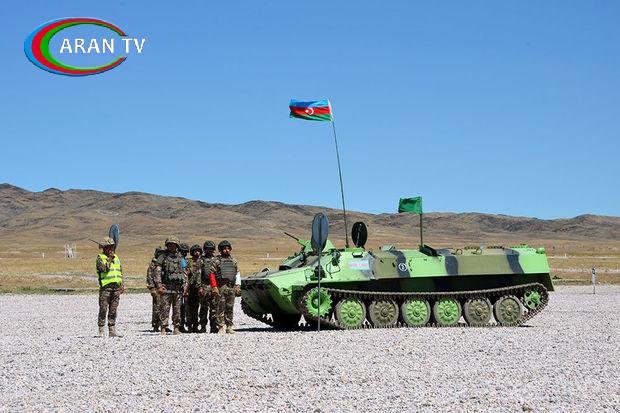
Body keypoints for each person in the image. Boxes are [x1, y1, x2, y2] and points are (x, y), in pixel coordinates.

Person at [153, 236, 188, 335]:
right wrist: (159, 286)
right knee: (164, 308)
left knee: (177, 309)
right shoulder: (162, 257)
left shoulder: (180, 257)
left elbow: (184, 272)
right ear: (167, 245)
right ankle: (163, 328)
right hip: (166, 287)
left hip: (178, 288)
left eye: (174, 245)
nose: (172, 246)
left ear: (177, 246)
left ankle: (176, 327)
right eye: (170, 244)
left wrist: (185, 285)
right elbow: (157, 272)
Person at [206, 240, 241, 334]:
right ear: (220, 250)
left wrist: (238, 285)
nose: (226, 250)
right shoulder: (216, 261)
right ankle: (220, 326)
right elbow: (212, 274)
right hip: (221, 287)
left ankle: (229, 326)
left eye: (228, 248)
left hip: (231, 286)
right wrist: (214, 287)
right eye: (224, 248)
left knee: (230, 307)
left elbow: (237, 273)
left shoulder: (233, 261)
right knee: (220, 307)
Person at [96, 237, 124, 337]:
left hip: (116, 288)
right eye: (109, 247)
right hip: (105, 288)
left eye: (112, 247)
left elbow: (120, 272)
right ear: (104, 248)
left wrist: (122, 284)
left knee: (113, 309)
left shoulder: (116, 258)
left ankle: (112, 330)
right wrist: (110, 259)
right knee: (103, 309)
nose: (111, 249)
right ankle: (101, 330)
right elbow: (104, 269)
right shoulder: (100, 258)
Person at [198, 240, 218, 333]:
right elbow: (198, 275)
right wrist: (200, 287)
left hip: (214, 286)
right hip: (204, 285)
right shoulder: (201, 260)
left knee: (214, 307)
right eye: (207, 249)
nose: (209, 250)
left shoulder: (217, 260)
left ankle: (213, 326)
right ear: (204, 250)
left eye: (211, 249)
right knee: (203, 307)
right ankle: (203, 326)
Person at [146, 247, 167, 332]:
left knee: (165, 307)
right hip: (156, 288)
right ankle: (156, 325)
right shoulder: (153, 264)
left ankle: (164, 324)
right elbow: (149, 277)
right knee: (157, 307)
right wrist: (152, 288)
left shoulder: (164, 262)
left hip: (164, 287)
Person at [185, 244, 203, 333]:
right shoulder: (188, 261)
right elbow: (184, 272)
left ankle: (195, 326)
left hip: (199, 288)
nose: (197, 253)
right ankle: (189, 326)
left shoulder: (202, 262)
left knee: (196, 307)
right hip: (189, 287)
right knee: (188, 308)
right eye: (195, 251)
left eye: (198, 251)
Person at [178, 243, 190, 332]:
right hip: (179, 286)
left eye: (185, 252)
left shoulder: (183, 260)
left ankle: (181, 325)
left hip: (184, 286)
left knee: (183, 307)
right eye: (182, 252)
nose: (184, 253)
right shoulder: (180, 260)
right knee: (179, 307)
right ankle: (180, 325)